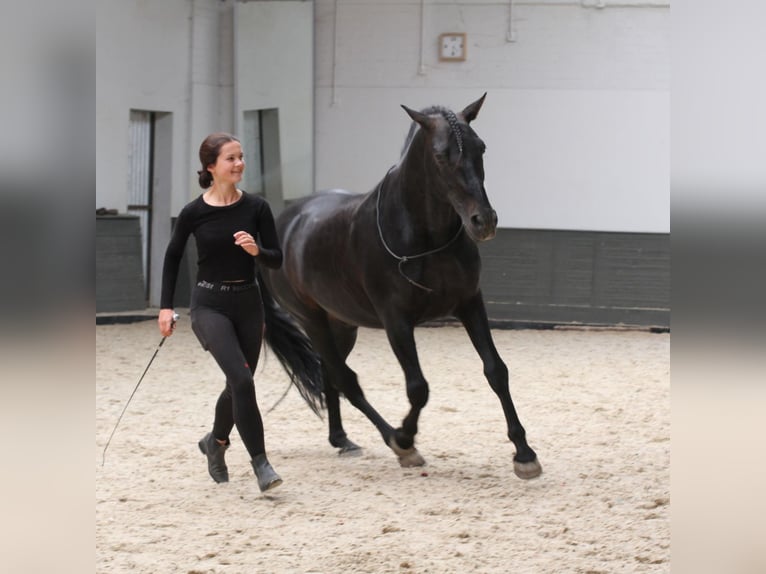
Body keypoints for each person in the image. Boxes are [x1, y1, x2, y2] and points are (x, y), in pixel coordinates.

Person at [158, 132, 284, 492]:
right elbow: (172, 257)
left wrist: (257, 251)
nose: (239, 163)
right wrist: (166, 307)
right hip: (209, 304)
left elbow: (277, 258)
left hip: (249, 303)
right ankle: (261, 464)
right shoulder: (193, 213)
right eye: (231, 158)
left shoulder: (257, 208)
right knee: (243, 381)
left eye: (241, 156)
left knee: (237, 382)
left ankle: (214, 443)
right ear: (211, 167)